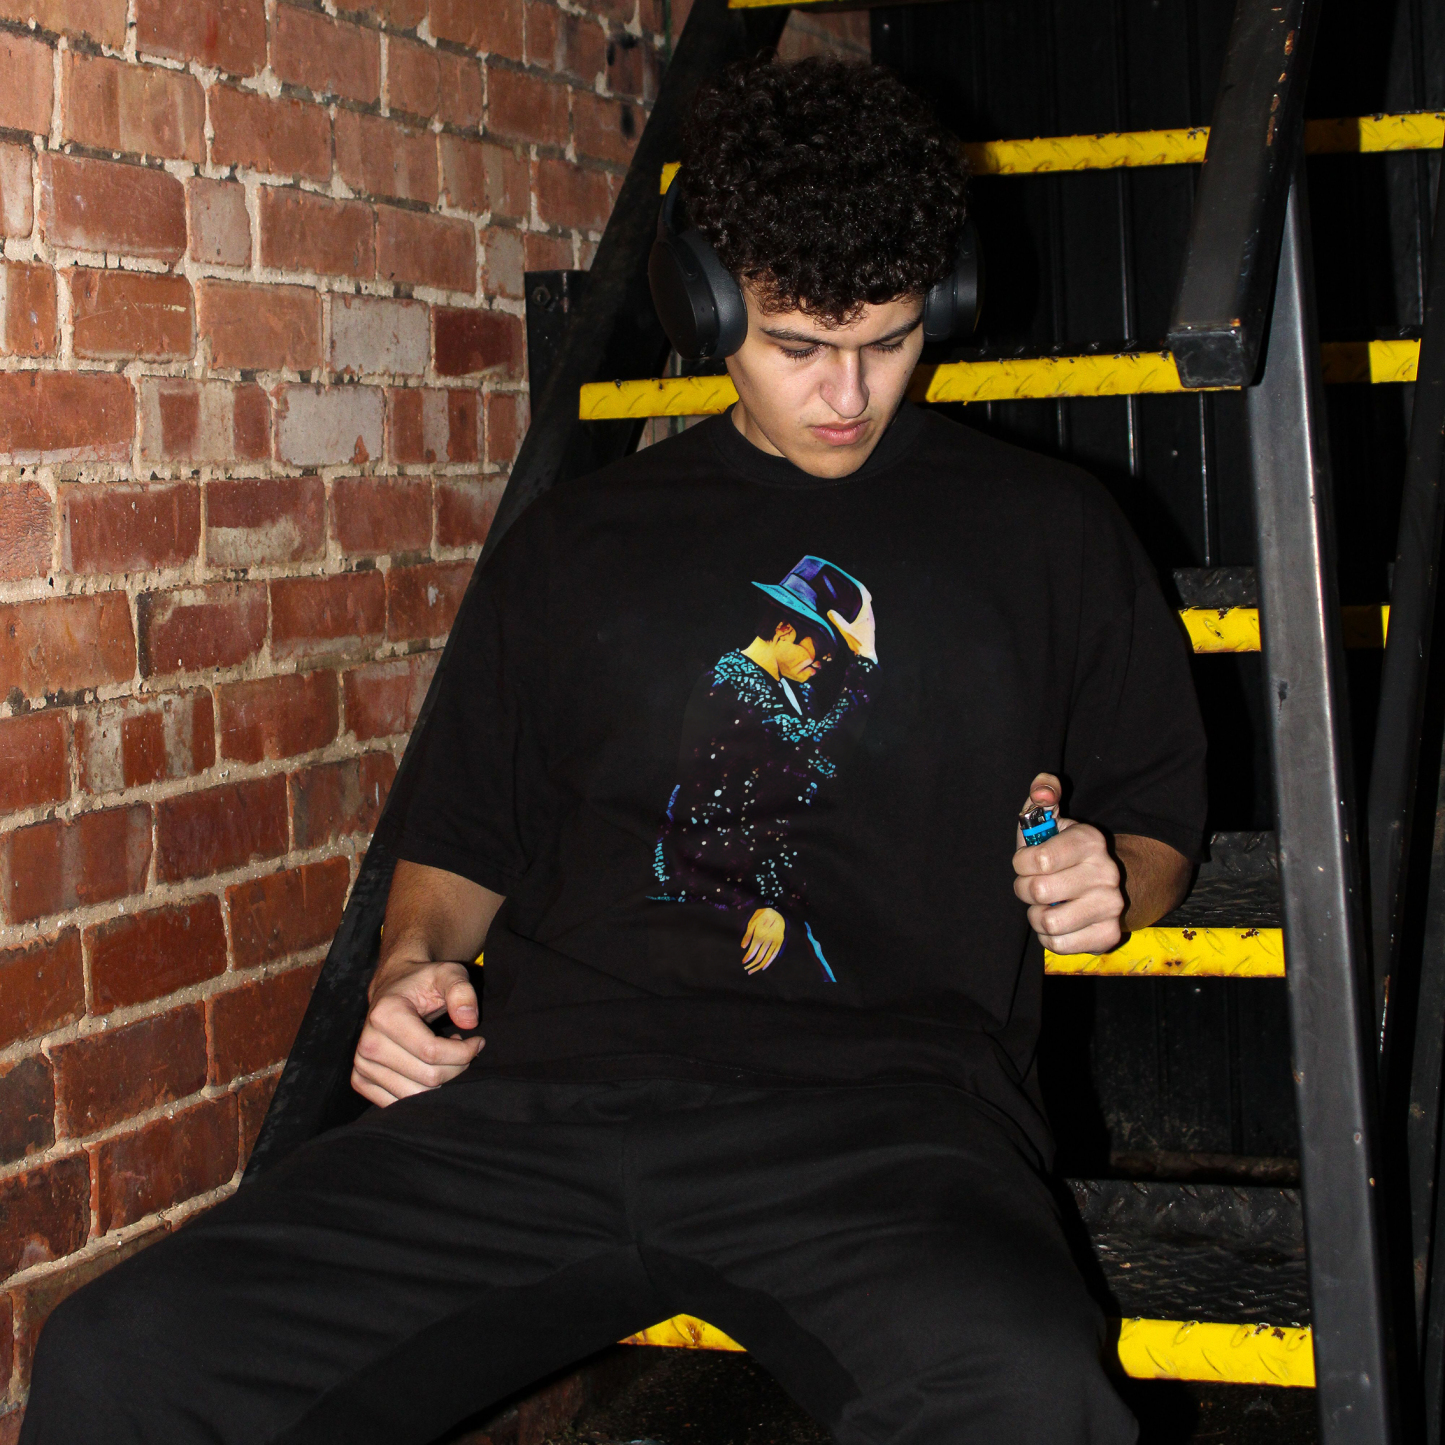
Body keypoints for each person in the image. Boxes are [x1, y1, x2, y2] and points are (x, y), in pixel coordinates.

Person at [21, 55, 1205, 1445]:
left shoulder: (1052, 534)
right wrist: (408, 969)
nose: (847, 393)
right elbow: (463, 840)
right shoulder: (576, 542)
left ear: (939, 303)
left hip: (881, 1123)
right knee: (126, 1357)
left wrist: (1107, 877)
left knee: (1024, 1392)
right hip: (537, 1104)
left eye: (887, 342)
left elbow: (1154, 818)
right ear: (707, 305)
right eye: (796, 346)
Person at [651, 557, 878, 981]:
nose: (828, 660)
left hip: (775, 905)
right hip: (718, 904)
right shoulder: (730, 685)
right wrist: (865, 662)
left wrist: (783, 907)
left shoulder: (799, 694)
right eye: (823, 645)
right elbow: (817, 759)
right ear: (785, 629)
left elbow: (804, 802)